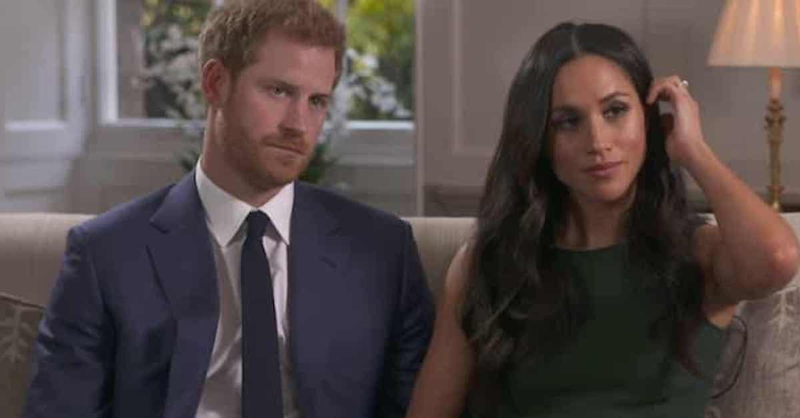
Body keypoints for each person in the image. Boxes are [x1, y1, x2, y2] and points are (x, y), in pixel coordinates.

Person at [23, 1, 434, 417]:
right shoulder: (105, 255)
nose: (298, 125)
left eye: (316, 101)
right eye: (278, 91)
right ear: (216, 83)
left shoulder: (383, 251)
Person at [406, 22, 799, 418]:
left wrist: (694, 150)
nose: (597, 142)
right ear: (538, 139)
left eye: (615, 111)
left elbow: (778, 258)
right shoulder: (487, 263)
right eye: (568, 121)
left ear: (648, 119)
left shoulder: (697, 252)